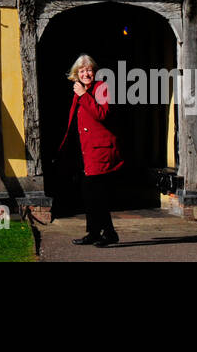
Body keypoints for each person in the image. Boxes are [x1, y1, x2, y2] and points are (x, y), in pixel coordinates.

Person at [57, 53, 123, 247]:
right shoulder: (80, 91)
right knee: (88, 193)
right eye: (82, 70)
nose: (86, 73)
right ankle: (94, 232)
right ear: (76, 74)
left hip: (100, 150)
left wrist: (84, 96)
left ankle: (109, 232)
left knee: (97, 193)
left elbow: (102, 114)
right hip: (85, 150)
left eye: (89, 70)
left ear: (95, 72)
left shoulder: (101, 88)